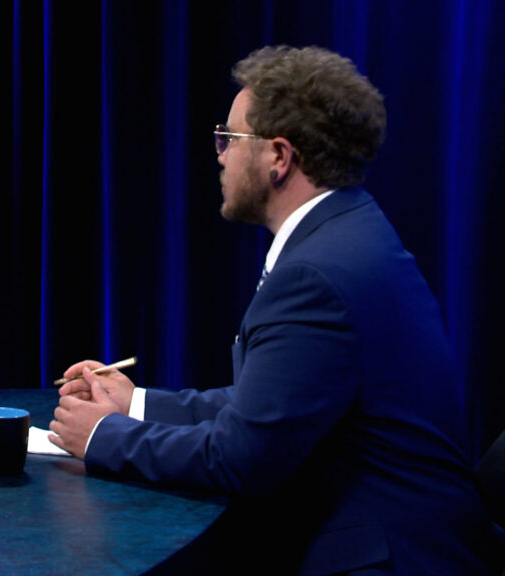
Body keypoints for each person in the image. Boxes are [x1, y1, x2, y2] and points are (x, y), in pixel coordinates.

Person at [49, 46, 501, 574]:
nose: (220, 155)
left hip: (386, 559)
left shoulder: (315, 274)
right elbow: (275, 405)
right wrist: (137, 404)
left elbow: (243, 458)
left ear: (279, 158)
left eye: (229, 138)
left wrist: (103, 435)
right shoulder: (350, 230)